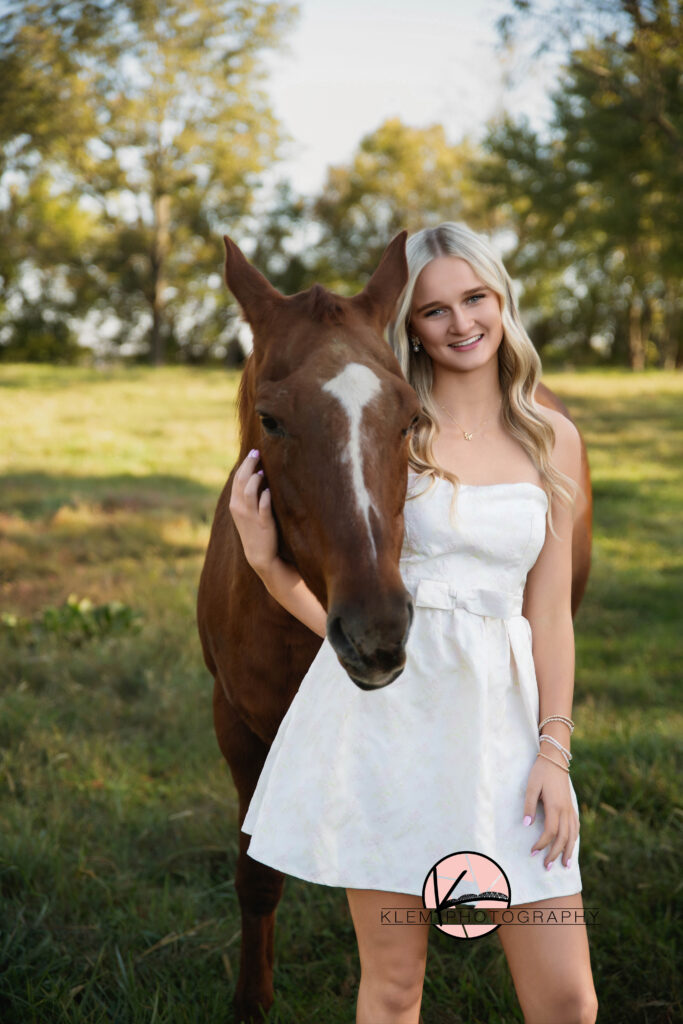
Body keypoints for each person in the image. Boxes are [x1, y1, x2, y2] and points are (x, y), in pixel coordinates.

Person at [228, 222, 598, 1024]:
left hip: (502, 730)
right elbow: (351, 616)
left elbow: (548, 615)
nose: (461, 322)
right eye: (434, 311)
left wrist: (553, 749)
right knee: (394, 991)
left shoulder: (550, 438)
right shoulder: (389, 430)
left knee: (568, 1000)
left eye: (475, 298)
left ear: (501, 300)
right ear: (411, 328)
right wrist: (265, 566)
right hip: (384, 730)